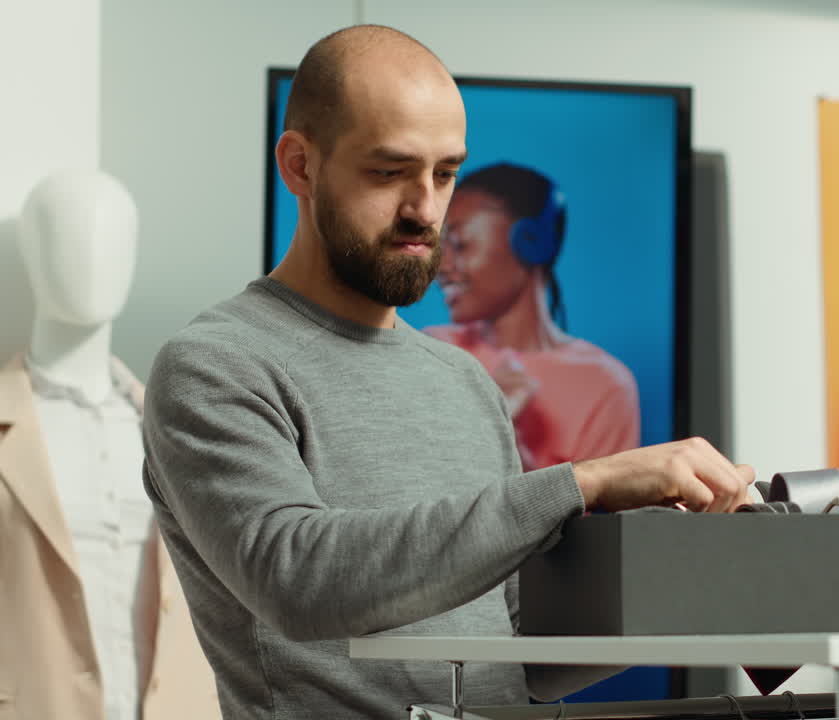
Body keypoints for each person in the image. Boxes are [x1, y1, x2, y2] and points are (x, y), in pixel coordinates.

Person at [141, 24, 753, 719]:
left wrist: (683, 572)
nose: (425, 210)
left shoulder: (465, 383)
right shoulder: (216, 365)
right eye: (389, 171)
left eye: (444, 172)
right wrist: (581, 484)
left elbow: (519, 652)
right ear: (299, 166)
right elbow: (300, 581)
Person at [1, 169, 216, 719]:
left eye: (112, 239)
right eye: (62, 236)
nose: (91, 258)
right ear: (29, 250)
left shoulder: (183, 433)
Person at [428, 163, 641, 471]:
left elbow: (599, 517)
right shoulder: (434, 350)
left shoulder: (606, 385)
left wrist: (515, 459)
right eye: (441, 246)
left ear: (531, 244)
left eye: (460, 245)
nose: (441, 268)